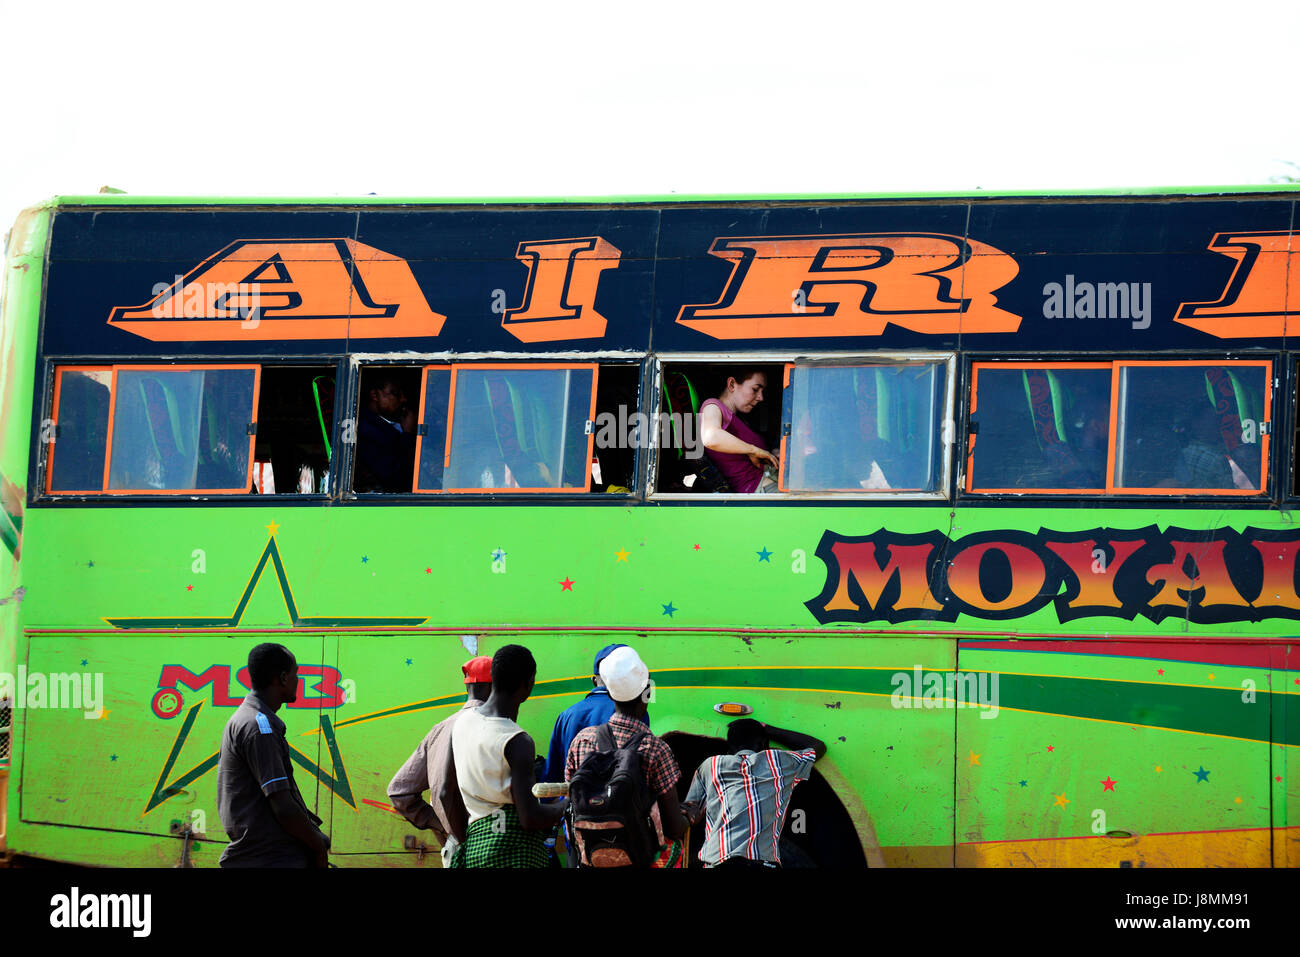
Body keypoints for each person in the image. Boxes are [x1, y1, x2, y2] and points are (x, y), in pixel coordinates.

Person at [565, 646, 689, 867]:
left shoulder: (582, 741)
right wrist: (691, 815)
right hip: (638, 860)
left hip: (591, 860)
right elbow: (673, 827)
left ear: (610, 694)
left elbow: (571, 802)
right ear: (647, 693)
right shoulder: (655, 749)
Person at [447, 644, 566, 867]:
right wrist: (566, 804)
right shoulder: (517, 740)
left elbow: (447, 789)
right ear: (528, 684)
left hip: (475, 850)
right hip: (514, 854)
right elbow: (530, 818)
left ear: (493, 677)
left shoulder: (462, 722)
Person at [217, 643, 330, 868]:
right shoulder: (260, 727)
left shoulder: (250, 719)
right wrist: (317, 846)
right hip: (269, 859)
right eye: (296, 673)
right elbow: (283, 806)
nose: (299, 680)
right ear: (283, 678)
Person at [386, 655, 493, 867]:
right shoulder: (492, 726)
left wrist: (443, 824)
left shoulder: (440, 729)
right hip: (489, 845)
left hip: (453, 847)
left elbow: (399, 791)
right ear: (493, 688)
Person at [682, 718, 827, 869]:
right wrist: (769, 729)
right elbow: (818, 747)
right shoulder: (779, 761)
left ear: (729, 749)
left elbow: (691, 810)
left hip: (719, 863)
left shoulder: (712, 765)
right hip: (762, 864)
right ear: (765, 745)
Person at [541, 643, 649, 783]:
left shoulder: (566, 715)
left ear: (593, 681)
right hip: (622, 802)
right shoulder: (637, 713)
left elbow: (552, 776)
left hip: (575, 801)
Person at [698, 369, 779, 493]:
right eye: (755, 389)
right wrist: (753, 450)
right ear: (731, 384)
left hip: (770, 481)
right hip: (758, 489)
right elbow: (710, 437)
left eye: (763, 392)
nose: (761, 397)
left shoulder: (742, 420)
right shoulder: (713, 406)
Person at [355, 373, 417, 492]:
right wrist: (408, 435)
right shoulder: (366, 430)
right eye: (396, 394)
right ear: (375, 395)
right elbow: (396, 479)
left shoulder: (397, 422)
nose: (403, 399)